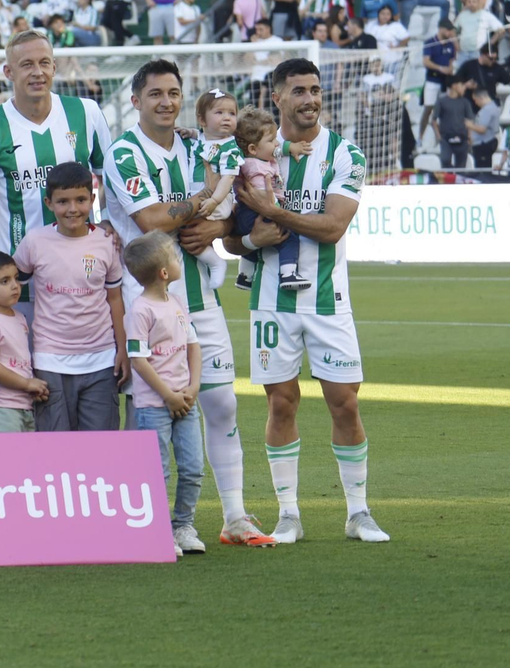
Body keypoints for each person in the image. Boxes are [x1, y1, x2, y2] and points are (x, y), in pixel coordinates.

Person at [105, 59, 276, 547]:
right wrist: (201, 201)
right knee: (153, 417)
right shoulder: (124, 152)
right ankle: (155, 521)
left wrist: (219, 227)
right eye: (155, 93)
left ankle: (235, 517)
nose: (166, 102)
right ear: (135, 100)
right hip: (149, 303)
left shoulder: (198, 144)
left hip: (201, 296)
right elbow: (152, 220)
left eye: (174, 93)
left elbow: (238, 205)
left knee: (220, 401)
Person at [227, 58, 387, 544]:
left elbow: (334, 226)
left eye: (315, 90)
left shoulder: (345, 154)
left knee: (345, 403)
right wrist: (253, 238)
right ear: (277, 98)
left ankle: (358, 513)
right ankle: (288, 514)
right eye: (298, 91)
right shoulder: (254, 155)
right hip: (270, 301)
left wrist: (272, 211)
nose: (310, 99)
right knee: (281, 403)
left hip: (327, 300)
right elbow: (235, 240)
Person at [0, 31, 115, 327]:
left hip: (85, 276)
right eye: (27, 64)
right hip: (17, 285)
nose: (38, 72)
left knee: (89, 368)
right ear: (9, 72)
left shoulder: (86, 113)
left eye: (45, 63)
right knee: (21, 373)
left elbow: (109, 180)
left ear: (55, 67)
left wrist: (107, 220)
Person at [11, 162, 126, 431]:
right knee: (55, 449)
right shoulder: (35, 241)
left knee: (100, 447)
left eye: (81, 200)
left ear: (92, 199)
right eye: (63, 201)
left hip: (100, 359)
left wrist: (122, 349)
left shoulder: (107, 242)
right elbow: (9, 287)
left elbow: (115, 299)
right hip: (50, 359)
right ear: (49, 203)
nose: (72, 209)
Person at [122, 232, 206, 558]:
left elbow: (193, 346)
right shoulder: (140, 310)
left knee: (193, 466)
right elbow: (139, 360)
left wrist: (193, 387)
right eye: (174, 256)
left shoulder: (177, 302)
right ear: (164, 272)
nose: (178, 260)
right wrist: (168, 396)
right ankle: (156, 530)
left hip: (185, 400)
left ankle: (183, 525)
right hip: (155, 404)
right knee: (158, 470)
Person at [0, 249, 48, 433]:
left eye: (16, 278)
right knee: (3, 461)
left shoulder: (19, 317)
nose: (15, 286)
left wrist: (30, 384)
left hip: (22, 406)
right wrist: (27, 384)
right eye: (4, 281)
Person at [230, 106, 308, 293]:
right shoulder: (255, 168)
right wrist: (276, 211)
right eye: (272, 140)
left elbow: (279, 151)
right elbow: (260, 196)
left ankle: (245, 276)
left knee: (253, 248)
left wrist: (293, 147)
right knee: (289, 237)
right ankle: (288, 274)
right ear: (253, 148)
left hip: (243, 215)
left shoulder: (261, 157)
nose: (277, 144)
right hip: (254, 212)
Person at [193, 89, 243, 290]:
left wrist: (214, 200)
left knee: (185, 232)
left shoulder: (230, 148)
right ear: (202, 120)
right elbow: (202, 141)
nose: (226, 118)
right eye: (219, 113)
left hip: (217, 202)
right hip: (201, 198)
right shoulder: (203, 139)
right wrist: (192, 132)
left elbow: (228, 177)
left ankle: (215, 261)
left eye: (231, 113)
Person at [433, 74, 474, 169]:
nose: (464, 88)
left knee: (461, 165)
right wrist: (439, 136)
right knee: (445, 160)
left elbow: (469, 120)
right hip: (446, 138)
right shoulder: (441, 101)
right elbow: (434, 120)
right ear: (454, 86)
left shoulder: (465, 102)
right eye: (462, 85)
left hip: (462, 138)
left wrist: (469, 136)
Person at [467, 87, 502, 169]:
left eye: (475, 100)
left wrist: (469, 125)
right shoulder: (492, 107)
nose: (475, 103)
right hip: (484, 143)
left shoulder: (487, 110)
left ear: (481, 98)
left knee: (482, 170)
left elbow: (482, 129)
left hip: (483, 144)